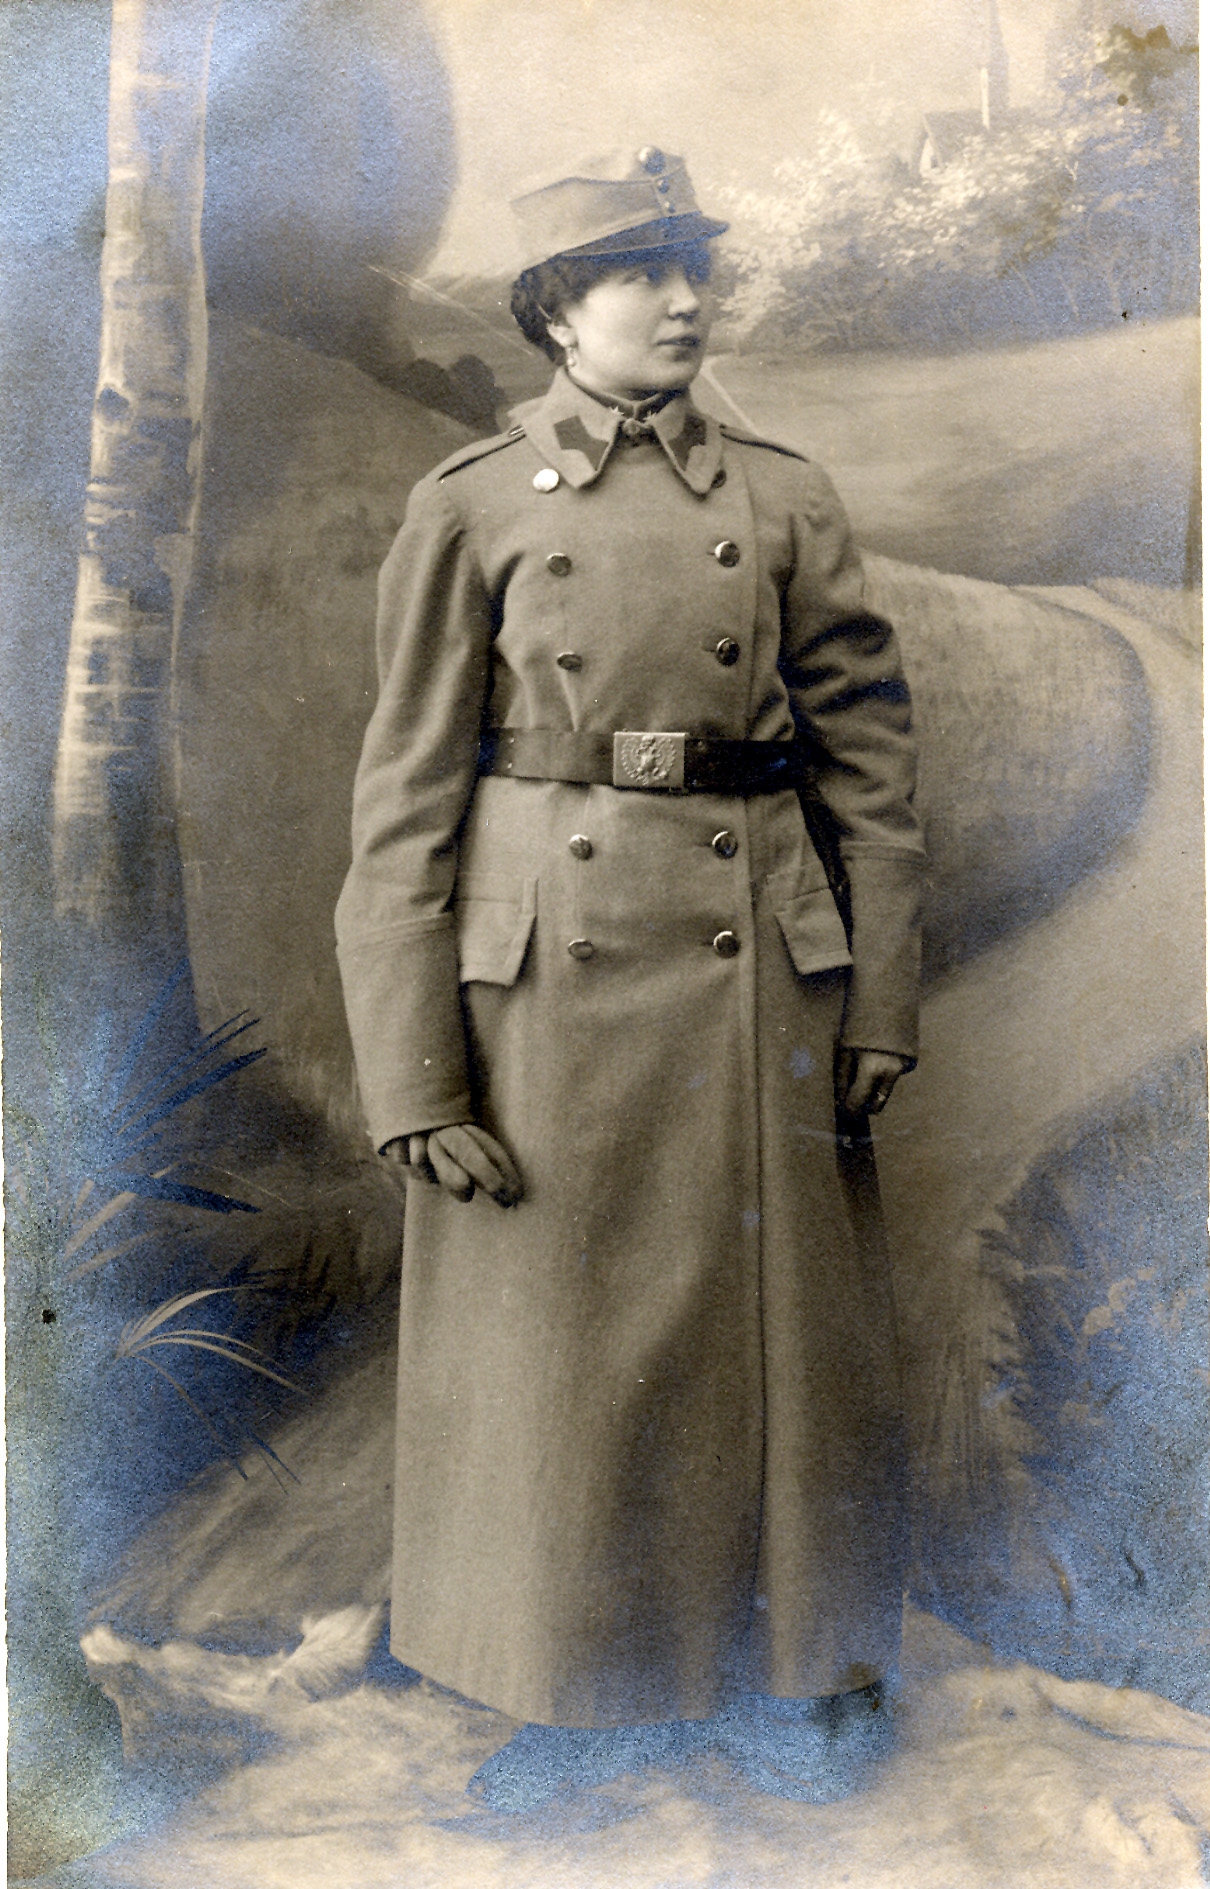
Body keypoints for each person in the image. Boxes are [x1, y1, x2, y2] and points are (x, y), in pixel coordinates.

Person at [335, 146, 925, 1813]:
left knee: (777, 1335)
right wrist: (411, 1072)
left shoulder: (784, 497)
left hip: (754, 961)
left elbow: (875, 771)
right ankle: (570, 1695)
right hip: (545, 983)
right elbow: (402, 804)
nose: (680, 301)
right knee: (568, 1343)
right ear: (554, 313)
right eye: (636, 273)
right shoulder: (468, 503)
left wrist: (880, 994)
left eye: (690, 268)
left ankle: (793, 1673)